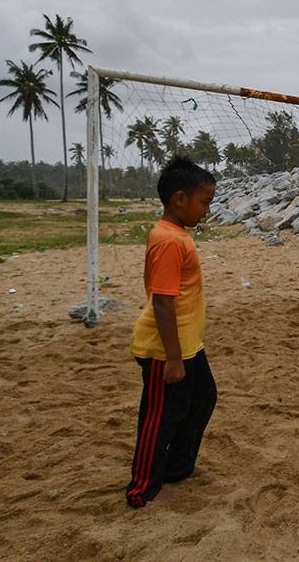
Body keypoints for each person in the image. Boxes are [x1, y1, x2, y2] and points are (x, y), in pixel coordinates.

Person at [125, 157, 218, 508]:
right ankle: (143, 485)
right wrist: (174, 358)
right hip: (167, 348)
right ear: (180, 199)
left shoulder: (177, 236)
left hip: (188, 343)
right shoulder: (168, 241)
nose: (206, 210)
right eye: (204, 202)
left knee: (204, 397)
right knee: (160, 416)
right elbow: (163, 302)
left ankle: (178, 466)